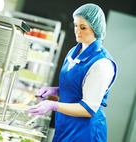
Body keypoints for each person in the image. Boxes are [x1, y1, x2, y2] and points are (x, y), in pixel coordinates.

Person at [26, 3, 117, 142]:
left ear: (95, 29)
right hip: (66, 124)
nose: (77, 31)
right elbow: (77, 89)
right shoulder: (74, 52)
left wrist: (53, 105)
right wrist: (55, 91)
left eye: (83, 27)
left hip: (86, 131)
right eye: (75, 25)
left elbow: (88, 109)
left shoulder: (101, 63)